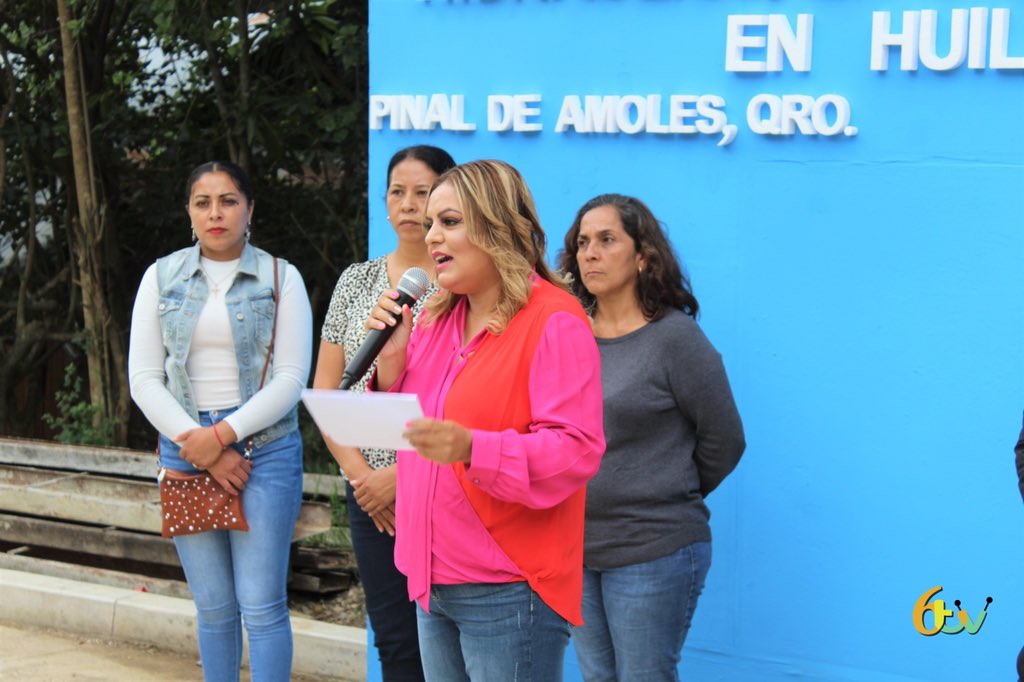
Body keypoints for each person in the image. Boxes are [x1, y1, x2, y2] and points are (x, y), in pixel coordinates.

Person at [366, 159, 606, 681]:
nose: (432, 236)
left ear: (498, 226)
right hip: (430, 576)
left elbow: (575, 450)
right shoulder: (434, 318)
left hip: (507, 585)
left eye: (449, 222)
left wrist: (475, 448)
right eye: (430, 223)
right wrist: (391, 363)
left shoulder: (554, 318)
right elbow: (411, 432)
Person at [128, 161, 312, 682]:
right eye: (202, 202)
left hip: (264, 449)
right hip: (184, 447)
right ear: (189, 212)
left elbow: (291, 379)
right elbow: (143, 378)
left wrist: (222, 438)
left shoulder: (281, 277)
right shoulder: (160, 277)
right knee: (213, 607)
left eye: (228, 201)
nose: (216, 213)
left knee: (261, 604)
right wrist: (199, 444)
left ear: (249, 209)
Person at [558, 193, 746, 682]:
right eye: (582, 243)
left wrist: (665, 486)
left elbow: (725, 439)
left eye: (607, 240)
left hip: (653, 549)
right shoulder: (567, 334)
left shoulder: (674, 339)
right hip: (577, 549)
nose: (590, 253)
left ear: (642, 256)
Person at [313, 144, 455, 680]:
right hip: (371, 497)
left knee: (449, 646)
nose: (409, 204)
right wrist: (364, 479)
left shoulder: (461, 285)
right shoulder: (356, 281)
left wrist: (402, 475)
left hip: (442, 487)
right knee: (396, 645)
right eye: (398, 192)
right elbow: (328, 390)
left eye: (423, 192)